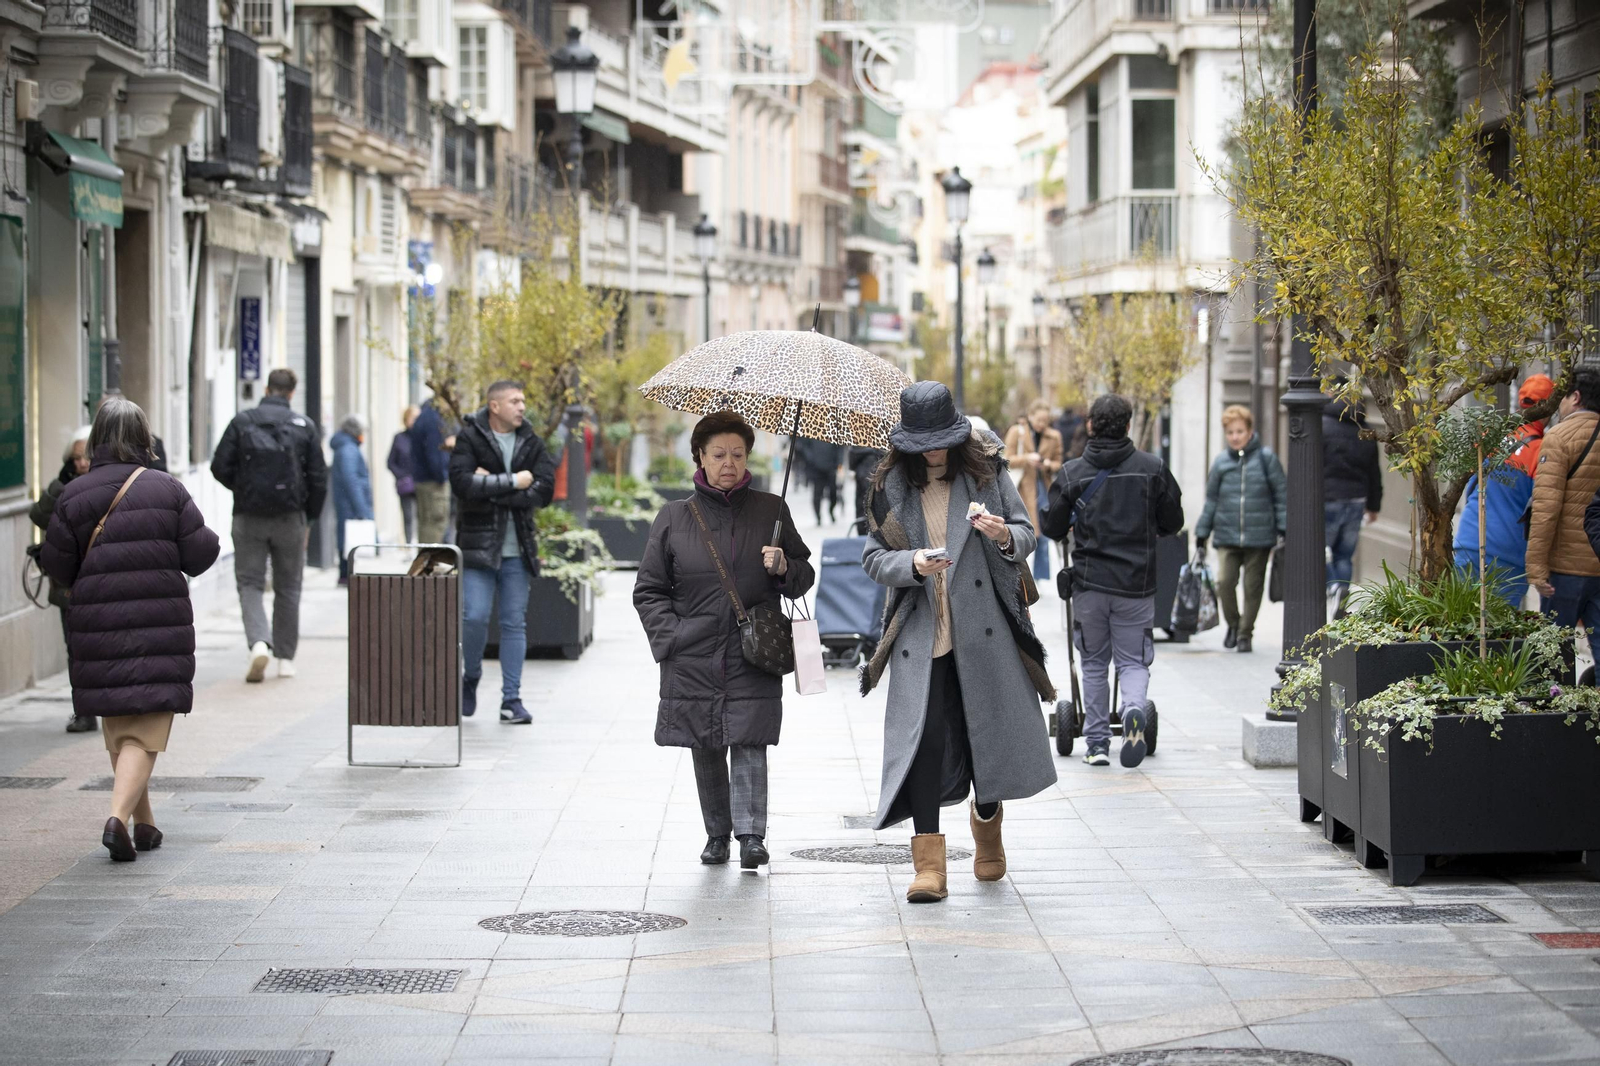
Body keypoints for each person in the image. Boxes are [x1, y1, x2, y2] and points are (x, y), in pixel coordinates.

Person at [860, 382, 1057, 903]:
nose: (935, 450)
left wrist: (1000, 534)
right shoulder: (887, 488)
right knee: (922, 744)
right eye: (924, 441)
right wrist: (912, 564)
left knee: (982, 735)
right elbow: (873, 556)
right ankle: (929, 867)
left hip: (983, 627)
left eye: (942, 439)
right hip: (921, 633)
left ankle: (986, 826)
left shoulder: (985, 471)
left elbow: (1026, 532)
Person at [40, 397, 220, 862]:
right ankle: (118, 817)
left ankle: (146, 824)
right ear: (144, 439)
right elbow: (200, 556)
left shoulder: (74, 494)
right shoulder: (166, 489)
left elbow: (58, 565)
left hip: (97, 624)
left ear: (96, 439)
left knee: (121, 724)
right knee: (145, 730)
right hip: (158, 626)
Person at [634, 411, 815, 871]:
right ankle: (717, 835)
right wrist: (671, 635)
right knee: (706, 742)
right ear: (700, 457)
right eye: (719, 454)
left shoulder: (771, 511)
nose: (729, 462)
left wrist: (782, 568)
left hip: (753, 648)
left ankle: (752, 835)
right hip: (693, 649)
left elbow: (802, 577)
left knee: (750, 738)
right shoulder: (674, 517)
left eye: (737, 453)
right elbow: (648, 589)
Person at [1041, 393, 1184, 768]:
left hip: (1089, 584)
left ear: (1090, 426)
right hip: (1136, 585)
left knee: (1092, 662)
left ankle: (1098, 744)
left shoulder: (1073, 472)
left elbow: (1051, 526)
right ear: (1128, 425)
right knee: (1134, 662)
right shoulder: (1152, 468)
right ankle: (1134, 709)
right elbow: (1173, 522)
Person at [450, 380, 558, 723]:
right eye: (515, 401)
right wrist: (514, 481)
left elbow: (544, 490)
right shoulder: (470, 437)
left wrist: (491, 485)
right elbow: (463, 485)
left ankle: (511, 699)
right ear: (494, 406)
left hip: (518, 549)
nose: (522, 406)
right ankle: (471, 677)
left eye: (523, 400)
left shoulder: (530, 440)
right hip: (479, 547)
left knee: (514, 623)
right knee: (474, 617)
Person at [211, 367, 327, 683]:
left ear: (266, 388)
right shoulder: (304, 427)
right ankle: (286, 659)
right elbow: (318, 478)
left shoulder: (242, 421)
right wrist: (309, 518)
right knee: (288, 586)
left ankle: (259, 642)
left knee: (249, 582)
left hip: (248, 517)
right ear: (292, 392)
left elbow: (218, 466)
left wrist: (243, 489)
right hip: (291, 518)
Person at [1454, 374, 1555, 607]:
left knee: (1461, 627)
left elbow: (1470, 486)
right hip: (1508, 554)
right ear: (1549, 408)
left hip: (1469, 540)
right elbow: (1543, 508)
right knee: (1497, 634)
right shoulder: (1542, 451)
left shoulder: (1493, 436)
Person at [1194, 405, 1286, 654]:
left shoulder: (1266, 459)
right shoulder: (1222, 462)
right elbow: (1211, 499)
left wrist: (1283, 527)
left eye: (1239, 431)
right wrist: (1202, 532)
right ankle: (1233, 625)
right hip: (1227, 535)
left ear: (1250, 431)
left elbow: (1281, 495)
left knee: (1252, 586)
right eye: (1230, 432)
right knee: (1224, 582)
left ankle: (1245, 633)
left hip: (1259, 536)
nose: (1235, 437)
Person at [1528, 369, 1600, 671]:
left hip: (1565, 570)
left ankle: (1559, 716)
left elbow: (1546, 509)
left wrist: (1536, 567)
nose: (1559, 405)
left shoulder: (1558, 437)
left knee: (1554, 654)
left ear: (1576, 397)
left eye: (1562, 397)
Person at [29, 426, 95, 733]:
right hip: (69, 584)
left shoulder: (105, 485)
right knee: (75, 649)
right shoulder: (63, 484)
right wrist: (62, 483)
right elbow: (39, 514)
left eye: (86, 457)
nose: (81, 464)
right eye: (76, 458)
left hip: (99, 582)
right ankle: (83, 711)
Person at [1323, 395, 1383, 608]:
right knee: (1344, 555)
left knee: (1320, 550)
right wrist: (1374, 506)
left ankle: (1334, 588)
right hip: (1357, 501)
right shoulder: (1364, 431)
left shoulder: (1322, 426)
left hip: (1329, 499)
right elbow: (1374, 472)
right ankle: (1342, 596)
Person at [1004, 399, 1065, 585]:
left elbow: (1058, 463)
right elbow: (1006, 459)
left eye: (1045, 420)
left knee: (1043, 532)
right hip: (1022, 488)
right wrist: (1026, 459)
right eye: (1038, 419)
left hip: (1042, 488)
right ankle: (1018, 572)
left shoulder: (1054, 436)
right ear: (1030, 416)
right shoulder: (1017, 432)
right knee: (1022, 529)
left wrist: (1046, 464)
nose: (1041, 424)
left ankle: (1038, 576)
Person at [331, 414, 375, 585]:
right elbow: (351, 481)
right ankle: (345, 574)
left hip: (347, 502)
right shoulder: (348, 449)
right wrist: (361, 509)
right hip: (349, 504)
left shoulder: (346, 447)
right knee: (348, 539)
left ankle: (346, 573)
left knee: (347, 538)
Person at [409, 394, 452, 544]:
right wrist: (442, 476)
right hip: (433, 482)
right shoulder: (433, 420)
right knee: (435, 526)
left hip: (423, 480)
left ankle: (426, 564)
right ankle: (430, 565)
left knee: (426, 525)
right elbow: (435, 453)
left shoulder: (423, 417)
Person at [389, 405, 420, 544]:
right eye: (412, 418)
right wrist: (401, 476)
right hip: (406, 484)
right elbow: (390, 462)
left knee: (422, 517)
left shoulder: (423, 438)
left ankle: (421, 545)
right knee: (408, 516)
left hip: (422, 483)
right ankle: (409, 545)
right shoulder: (399, 438)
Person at [848, 446, 886, 534]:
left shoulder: (858, 443)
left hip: (863, 475)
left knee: (862, 504)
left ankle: (863, 532)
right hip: (876, 475)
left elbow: (853, 457)